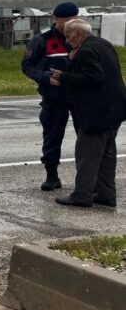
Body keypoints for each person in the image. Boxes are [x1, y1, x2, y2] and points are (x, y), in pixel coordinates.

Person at [50, 19, 126, 207]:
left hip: (97, 113)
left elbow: (93, 77)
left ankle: (82, 195)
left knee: (87, 155)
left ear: (78, 34)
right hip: (114, 109)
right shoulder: (103, 44)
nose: (67, 41)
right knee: (107, 155)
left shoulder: (85, 51)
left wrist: (64, 77)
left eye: (68, 36)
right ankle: (106, 195)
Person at [21, 2, 78, 190]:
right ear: (56, 19)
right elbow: (27, 65)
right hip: (54, 95)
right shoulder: (42, 40)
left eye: (74, 19)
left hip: (80, 94)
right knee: (52, 135)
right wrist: (44, 77)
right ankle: (52, 176)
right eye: (66, 20)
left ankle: (88, 177)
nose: (70, 23)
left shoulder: (82, 37)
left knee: (87, 135)